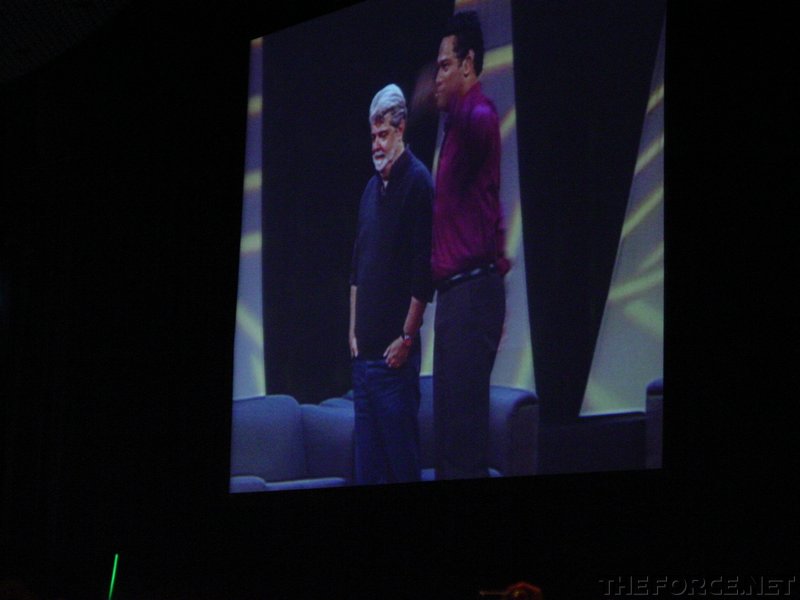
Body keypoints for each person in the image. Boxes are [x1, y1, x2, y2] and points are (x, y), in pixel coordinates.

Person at [432, 11, 509, 480]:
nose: (437, 76)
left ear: (468, 63)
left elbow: (477, 125)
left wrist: (489, 290)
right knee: (447, 437)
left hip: (470, 295)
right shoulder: (454, 130)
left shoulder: (478, 117)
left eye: (445, 66)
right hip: (458, 297)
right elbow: (488, 206)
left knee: (461, 443)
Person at [349, 84, 434, 485]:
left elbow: (423, 273)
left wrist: (407, 337)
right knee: (368, 472)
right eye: (373, 136)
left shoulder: (418, 183)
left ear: (401, 129)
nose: (377, 145)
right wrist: (352, 331)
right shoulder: (370, 189)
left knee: (401, 466)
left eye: (383, 134)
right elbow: (356, 267)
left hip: (392, 363)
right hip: (363, 363)